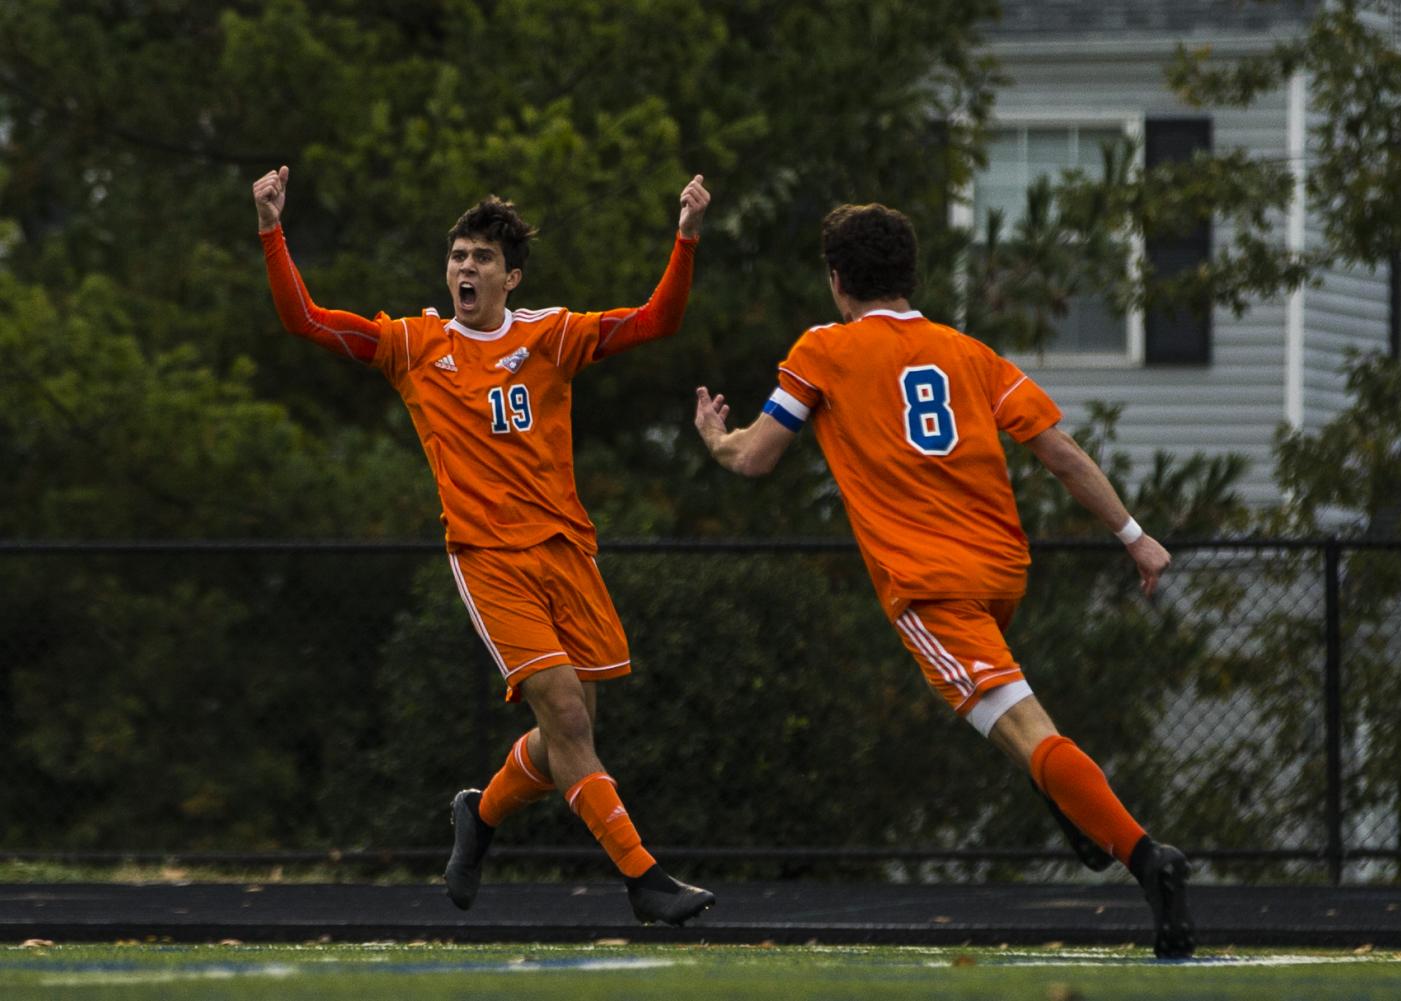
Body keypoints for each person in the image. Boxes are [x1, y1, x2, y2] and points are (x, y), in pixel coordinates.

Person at [692, 203, 1195, 959]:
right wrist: (1134, 535)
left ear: (837, 281)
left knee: (1029, 731)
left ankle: (1144, 857)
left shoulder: (823, 348)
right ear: (910, 275)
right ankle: (1065, 792)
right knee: (1018, 718)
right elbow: (1059, 453)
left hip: (930, 585)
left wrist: (716, 438)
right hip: (1000, 571)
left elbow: (756, 457)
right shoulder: (967, 351)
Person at [253, 165, 715, 927]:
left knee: (567, 735)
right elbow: (304, 318)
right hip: (488, 558)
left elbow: (655, 320)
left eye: (481, 259)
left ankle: (481, 811)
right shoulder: (412, 344)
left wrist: (686, 238)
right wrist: (271, 227)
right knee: (566, 718)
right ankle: (644, 876)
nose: (465, 269)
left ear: (511, 276)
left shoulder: (550, 335)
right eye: (457, 257)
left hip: (565, 549)